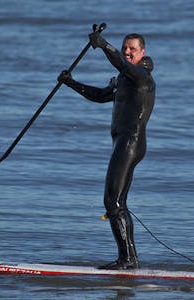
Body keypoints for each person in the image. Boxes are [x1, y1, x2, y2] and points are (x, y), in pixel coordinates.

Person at [58, 32, 155, 270]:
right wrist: (71, 83)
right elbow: (102, 96)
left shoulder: (141, 77)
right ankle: (130, 259)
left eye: (132, 48)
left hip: (130, 144)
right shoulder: (126, 79)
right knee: (117, 202)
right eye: (125, 48)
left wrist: (103, 45)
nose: (127, 52)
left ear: (142, 52)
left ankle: (128, 260)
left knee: (112, 202)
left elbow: (120, 63)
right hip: (125, 144)